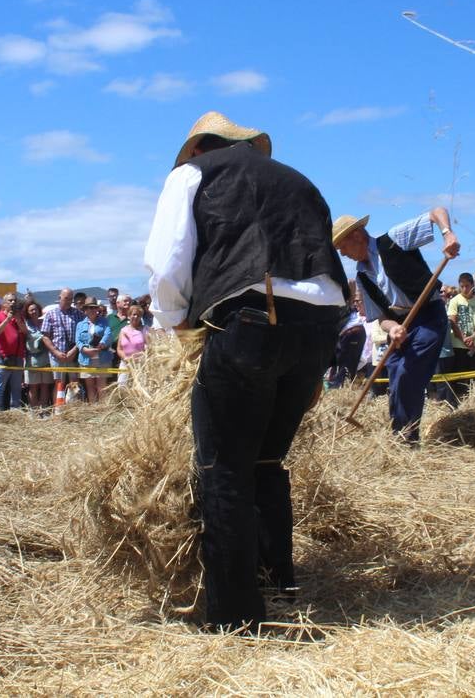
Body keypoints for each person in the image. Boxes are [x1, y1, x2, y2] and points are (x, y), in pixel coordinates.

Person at [144, 111, 347, 634]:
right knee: (267, 459)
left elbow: (167, 261)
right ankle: (278, 581)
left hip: (253, 318)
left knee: (225, 468)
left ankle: (235, 618)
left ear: (196, 148)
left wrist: (177, 320)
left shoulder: (191, 174)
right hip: (319, 326)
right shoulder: (300, 180)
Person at [333, 205, 460, 442]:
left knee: (407, 372)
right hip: (401, 324)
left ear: (357, 235)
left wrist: (447, 234)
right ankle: (398, 430)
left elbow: (436, 212)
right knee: (394, 370)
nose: (342, 254)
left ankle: (406, 437)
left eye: (343, 247)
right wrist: (393, 327)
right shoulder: (361, 276)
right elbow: (380, 317)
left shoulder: (393, 240)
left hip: (428, 315)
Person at [446, 271, 475, 400]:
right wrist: (463, 339)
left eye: (467, 286)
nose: (465, 289)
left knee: (473, 375)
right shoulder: (455, 301)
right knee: (459, 375)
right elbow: (452, 321)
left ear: (472, 285)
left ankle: (470, 399)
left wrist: (474, 336)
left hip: (474, 345)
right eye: (462, 286)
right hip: (458, 344)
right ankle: (459, 400)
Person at [40, 288, 83, 407]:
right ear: (59, 298)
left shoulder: (79, 314)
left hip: (73, 355)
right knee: (59, 383)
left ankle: (75, 410)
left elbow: (83, 335)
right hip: (56, 356)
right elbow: (45, 337)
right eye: (66, 298)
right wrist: (55, 352)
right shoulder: (50, 314)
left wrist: (74, 351)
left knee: (75, 384)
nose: (68, 301)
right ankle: (58, 410)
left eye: (70, 299)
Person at [75, 299, 113, 403]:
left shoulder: (104, 321)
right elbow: (77, 340)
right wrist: (84, 349)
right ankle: (93, 408)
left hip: (102, 358)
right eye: (90, 307)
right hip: (86, 359)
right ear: (85, 310)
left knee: (101, 387)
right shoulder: (80, 325)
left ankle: (103, 408)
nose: (93, 310)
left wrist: (102, 344)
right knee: (90, 387)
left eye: (94, 307)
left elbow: (108, 333)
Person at [22, 298, 58, 408]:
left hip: (46, 359)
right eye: (31, 310)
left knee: (45, 386)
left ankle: (43, 409)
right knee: (33, 387)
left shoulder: (45, 322)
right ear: (27, 312)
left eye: (35, 309)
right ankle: (34, 410)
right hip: (32, 361)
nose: (34, 311)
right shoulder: (26, 325)